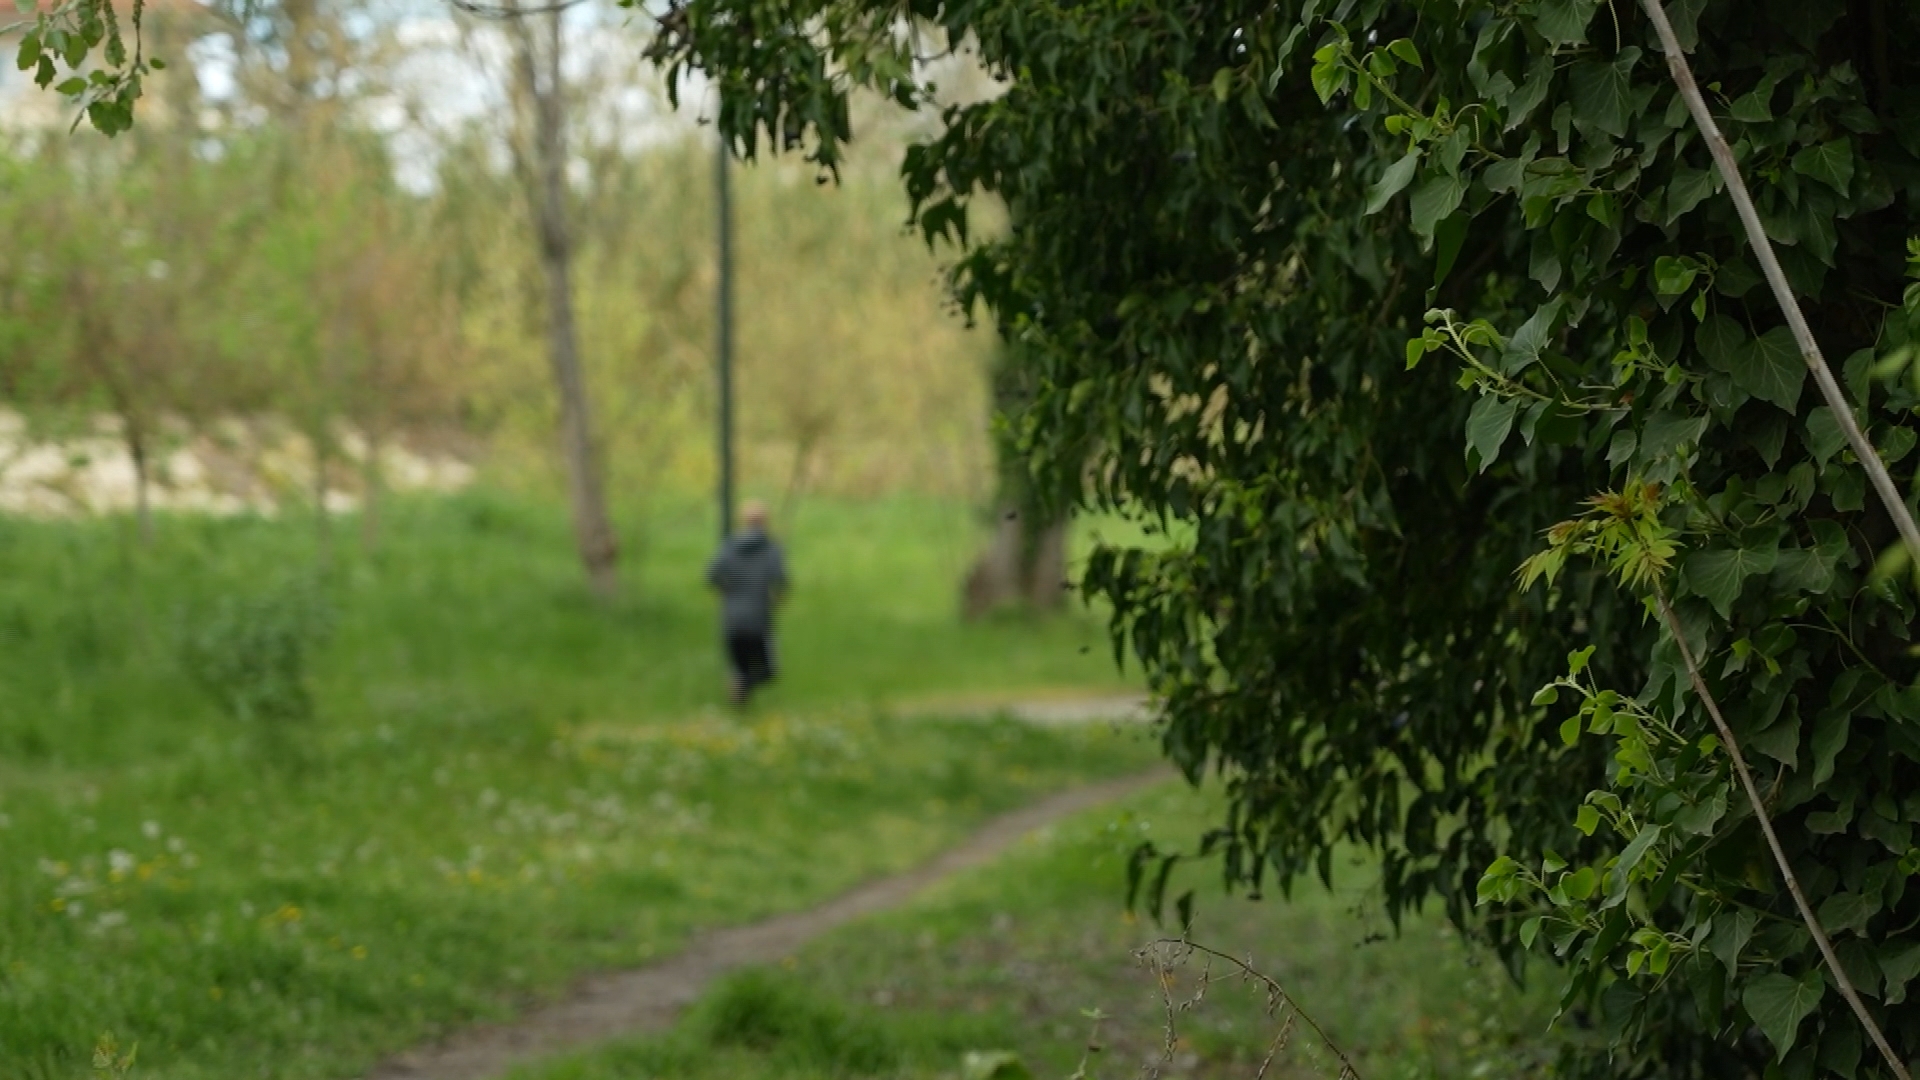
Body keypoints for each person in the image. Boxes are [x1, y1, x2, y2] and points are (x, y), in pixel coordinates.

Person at [705, 499, 789, 706]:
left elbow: (711, 575)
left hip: (731, 618)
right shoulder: (771, 548)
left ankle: (740, 703)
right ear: (765, 522)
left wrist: (726, 592)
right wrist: (775, 598)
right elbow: (781, 581)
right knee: (769, 671)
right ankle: (743, 687)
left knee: (739, 668)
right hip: (759, 619)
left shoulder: (730, 546)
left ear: (743, 522)